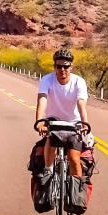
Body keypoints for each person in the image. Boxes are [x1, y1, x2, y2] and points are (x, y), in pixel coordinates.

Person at [35, 47, 90, 178]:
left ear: (71, 67)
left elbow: (81, 104)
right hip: (53, 122)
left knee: (74, 159)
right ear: (54, 66)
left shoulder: (79, 82)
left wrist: (84, 123)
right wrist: (39, 122)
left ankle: (76, 194)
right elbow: (42, 101)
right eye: (59, 67)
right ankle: (48, 172)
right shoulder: (47, 80)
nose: (62, 70)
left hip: (74, 123)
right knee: (50, 142)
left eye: (66, 66)